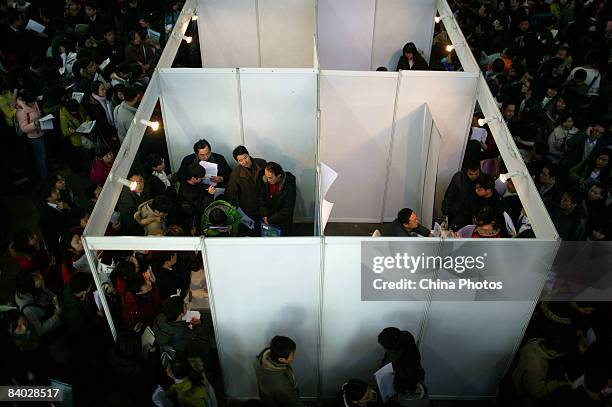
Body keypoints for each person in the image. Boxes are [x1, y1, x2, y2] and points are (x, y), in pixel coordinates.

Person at [441, 160, 492, 230]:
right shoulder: (458, 178)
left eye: (476, 174)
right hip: (457, 212)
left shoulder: (484, 179)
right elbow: (450, 194)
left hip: (473, 215)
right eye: (471, 174)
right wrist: (446, 211)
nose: (474, 176)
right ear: (466, 171)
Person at [254, 335, 304, 407]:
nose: (294, 356)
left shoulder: (263, 359)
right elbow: (292, 402)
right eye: (292, 355)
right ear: (281, 359)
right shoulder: (281, 386)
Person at [226, 145, 267, 227]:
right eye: (240, 160)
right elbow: (231, 195)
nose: (244, 162)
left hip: (265, 203)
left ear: (248, 155)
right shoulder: (235, 174)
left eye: (245, 158)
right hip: (249, 208)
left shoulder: (262, 163)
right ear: (237, 161)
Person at [258, 162, 297, 235]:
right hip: (268, 218)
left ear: (279, 176)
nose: (268, 180)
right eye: (266, 177)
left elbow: (287, 209)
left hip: (282, 222)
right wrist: (265, 215)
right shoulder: (265, 180)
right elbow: (261, 198)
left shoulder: (289, 186)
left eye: (270, 178)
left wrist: (270, 219)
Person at [16, 89, 47, 178]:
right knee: (40, 157)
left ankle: (46, 172)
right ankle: (44, 176)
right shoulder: (21, 111)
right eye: (32, 103)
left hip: (41, 132)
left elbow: (38, 113)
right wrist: (35, 124)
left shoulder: (34, 102)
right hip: (34, 137)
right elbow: (23, 128)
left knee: (44, 156)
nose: (34, 104)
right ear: (25, 102)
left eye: (34, 101)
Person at [60, 99, 93, 172]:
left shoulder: (78, 106)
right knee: (87, 158)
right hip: (78, 140)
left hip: (87, 133)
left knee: (92, 153)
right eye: (74, 112)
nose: (77, 113)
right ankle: (91, 172)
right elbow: (64, 132)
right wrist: (70, 131)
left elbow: (86, 114)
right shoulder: (64, 116)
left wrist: (87, 121)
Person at [178, 163, 215, 228]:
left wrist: (207, 187)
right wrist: (209, 195)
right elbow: (202, 209)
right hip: (196, 219)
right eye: (201, 178)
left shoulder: (187, 181)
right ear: (193, 178)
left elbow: (199, 186)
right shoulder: (189, 194)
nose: (203, 178)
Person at [117, 171, 151, 235]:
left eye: (141, 180)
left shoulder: (146, 188)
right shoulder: (126, 200)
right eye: (135, 182)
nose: (139, 184)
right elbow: (131, 225)